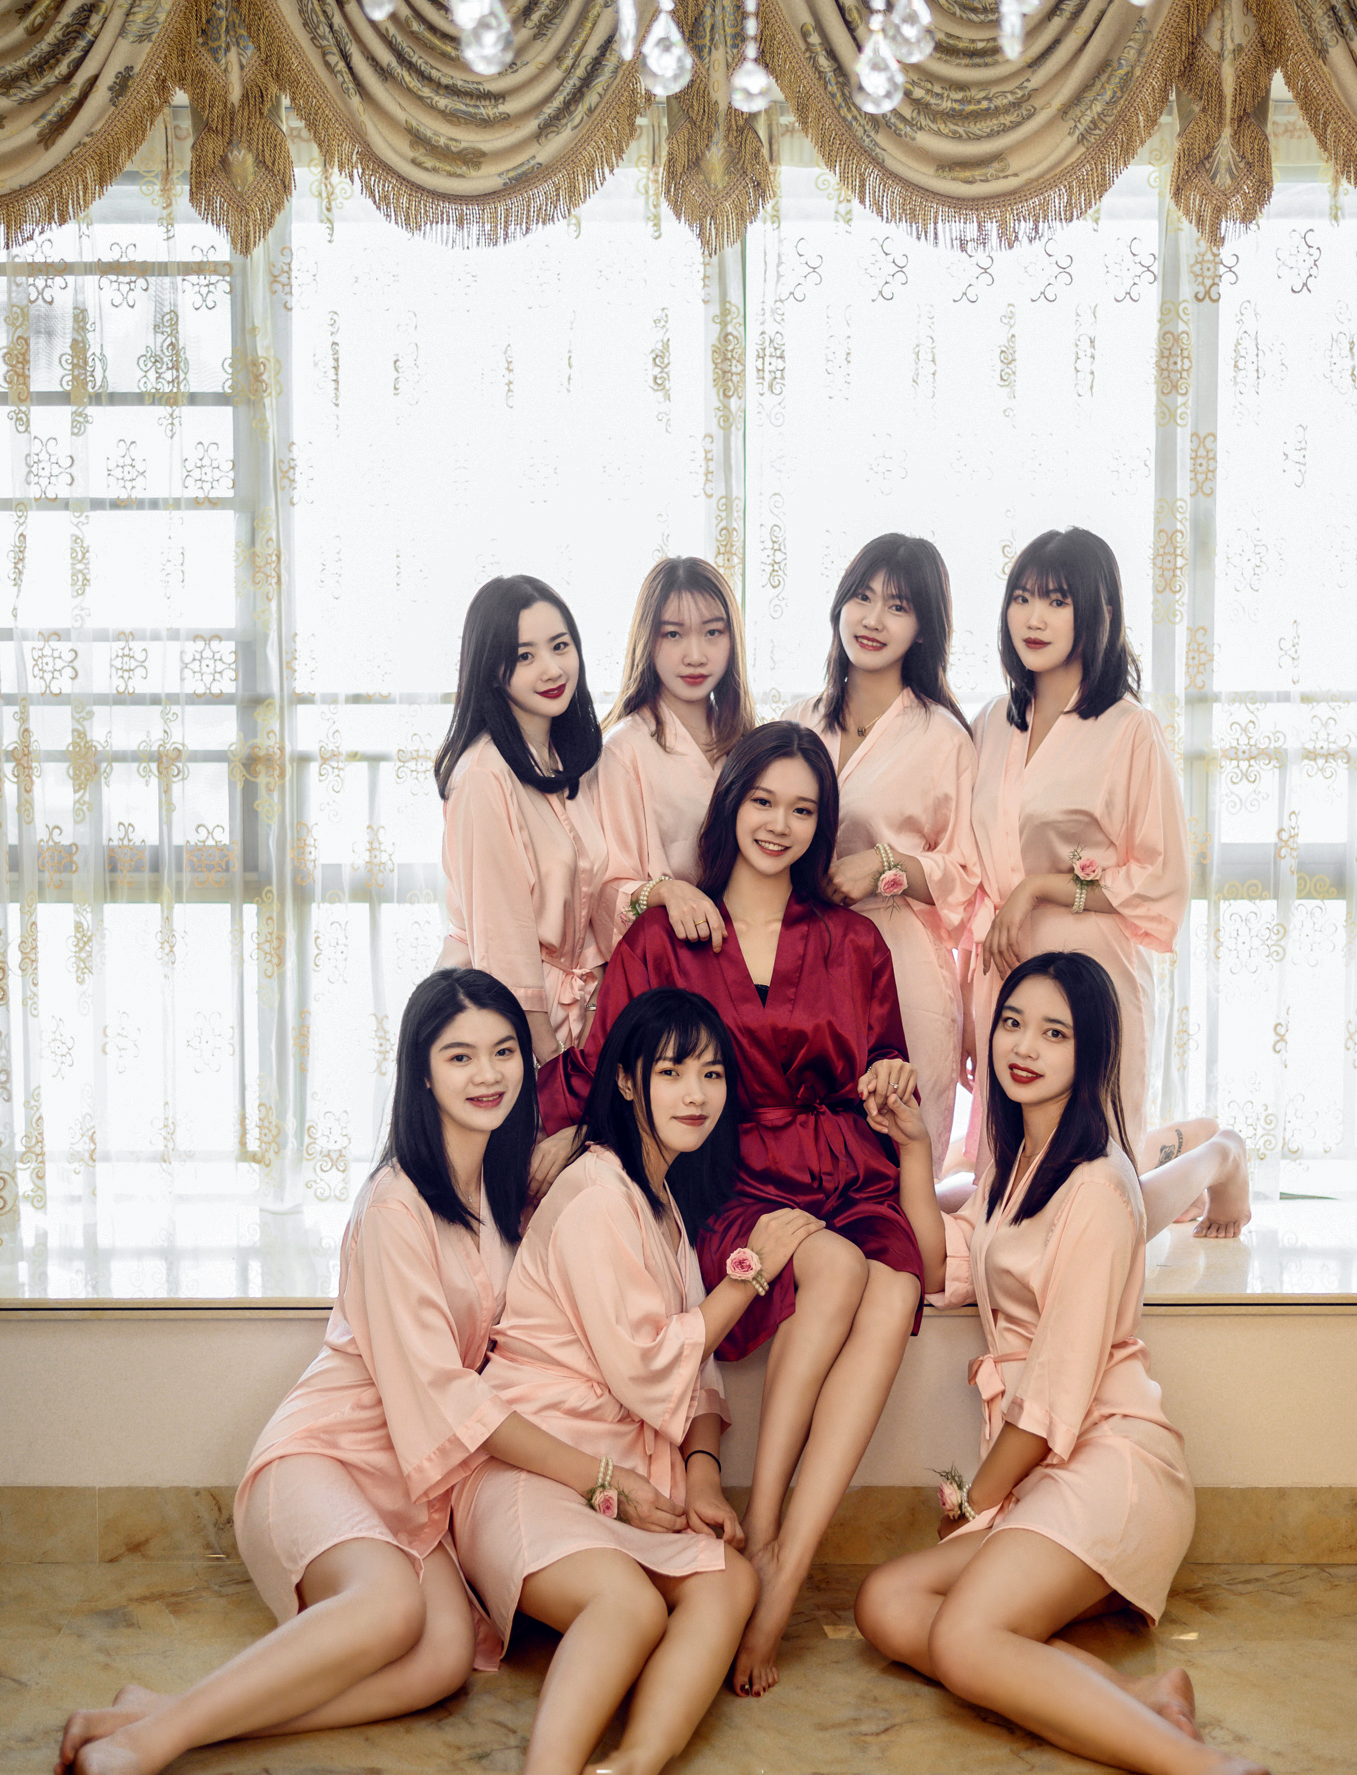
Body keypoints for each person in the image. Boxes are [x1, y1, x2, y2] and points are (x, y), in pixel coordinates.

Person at [55, 969, 680, 1775]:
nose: (487, 1074)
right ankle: (149, 1742)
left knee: (441, 1660)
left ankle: (162, 1712)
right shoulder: (394, 1204)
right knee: (387, 1610)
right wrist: (599, 1478)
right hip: (327, 1456)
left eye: (503, 1052)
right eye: (459, 1057)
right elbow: (448, 1395)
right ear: (421, 1073)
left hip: (417, 1482)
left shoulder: (501, 1189)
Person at [539, 721, 946, 1697]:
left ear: (822, 824)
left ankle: (778, 1564)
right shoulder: (665, 932)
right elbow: (605, 1060)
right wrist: (521, 1132)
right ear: (730, 807)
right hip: (728, 1176)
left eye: (803, 809)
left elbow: (882, 1061)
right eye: (763, 801)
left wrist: (892, 1084)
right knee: (833, 1268)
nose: (780, 824)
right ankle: (762, 1530)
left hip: (845, 1164)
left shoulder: (853, 940)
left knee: (894, 1287)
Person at [855, 952, 1268, 1775]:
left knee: (964, 1640)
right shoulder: (1014, 1166)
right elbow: (938, 1267)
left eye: (1054, 1033)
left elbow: (1055, 1394)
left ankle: (1200, 1767)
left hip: (1109, 1463)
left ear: (1091, 1053)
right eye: (1012, 1023)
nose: (1024, 1047)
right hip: (1046, 1470)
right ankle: (1143, 1696)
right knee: (886, 1603)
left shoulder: (1100, 1187)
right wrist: (914, 1150)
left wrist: (975, 1500)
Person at [452, 987, 820, 1775]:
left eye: (712, 1074)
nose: (696, 1094)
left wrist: (703, 1474)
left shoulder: (657, 1203)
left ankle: (633, 1763)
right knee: (628, 1605)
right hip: (534, 1467)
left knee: (728, 1584)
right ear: (626, 1080)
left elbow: (698, 1373)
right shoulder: (596, 1195)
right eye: (672, 1072)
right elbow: (651, 1363)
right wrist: (750, 1274)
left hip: (625, 1475)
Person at [964, 528, 1250, 1236]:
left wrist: (1040, 888)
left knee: (1096, 1212)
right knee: (1002, 1200)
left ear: (1096, 612)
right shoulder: (989, 723)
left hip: (1091, 972)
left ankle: (1220, 1155)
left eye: (1057, 601)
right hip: (1005, 972)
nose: (1034, 618)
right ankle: (1180, 1142)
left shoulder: (1129, 730)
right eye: (1022, 598)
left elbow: (1159, 877)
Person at [785, 534, 980, 1166]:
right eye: (862, 598)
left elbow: (965, 875)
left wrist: (884, 866)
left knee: (897, 1159)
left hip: (900, 968)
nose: (873, 619)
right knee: (805, 1152)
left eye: (897, 607)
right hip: (800, 959)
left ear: (923, 629)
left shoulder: (943, 737)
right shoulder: (797, 721)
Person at [434, 575, 608, 1063]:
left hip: (574, 1017)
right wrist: (550, 1061)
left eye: (560, 646)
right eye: (525, 656)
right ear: (492, 670)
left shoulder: (563, 760)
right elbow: (503, 946)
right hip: (510, 1027)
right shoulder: (483, 776)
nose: (552, 669)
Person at [594, 554, 755, 951]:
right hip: (671, 957)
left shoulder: (750, 741)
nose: (695, 655)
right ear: (647, 640)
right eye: (673, 634)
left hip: (755, 948)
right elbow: (605, 890)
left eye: (713, 632)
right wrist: (666, 891)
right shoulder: (624, 750)